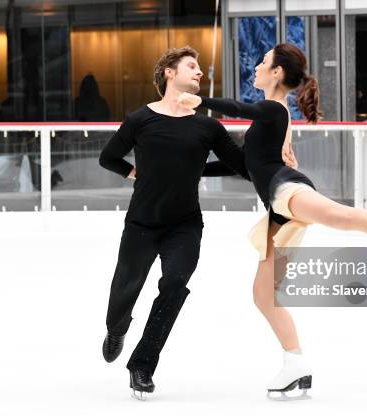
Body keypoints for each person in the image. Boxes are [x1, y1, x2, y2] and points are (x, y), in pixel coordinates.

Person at [178, 43, 367, 400]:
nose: (256, 66)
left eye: (263, 62)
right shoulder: (268, 116)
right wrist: (190, 172)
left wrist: (201, 102)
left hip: (287, 190)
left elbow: (239, 109)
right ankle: (294, 363)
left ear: (277, 73)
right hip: (277, 208)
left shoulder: (271, 108)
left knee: (337, 215)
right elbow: (244, 165)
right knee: (263, 294)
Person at [98, 46, 249, 400]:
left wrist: (271, 153)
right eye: (191, 67)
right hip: (141, 224)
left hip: (184, 225)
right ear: (169, 72)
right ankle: (116, 328)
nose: (200, 73)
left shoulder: (208, 126)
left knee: (176, 283)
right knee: (125, 290)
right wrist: (135, 172)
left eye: (199, 68)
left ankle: (142, 365)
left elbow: (240, 165)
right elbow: (108, 157)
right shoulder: (140, 119)